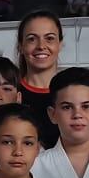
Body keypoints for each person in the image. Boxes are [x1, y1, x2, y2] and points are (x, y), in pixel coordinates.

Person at [14, 9, 65, 142]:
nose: (41, 46)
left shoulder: (73, 91)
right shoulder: (12, 93)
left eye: (49, 38)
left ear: (60, 44)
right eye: (32, 39)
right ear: (20, 46)